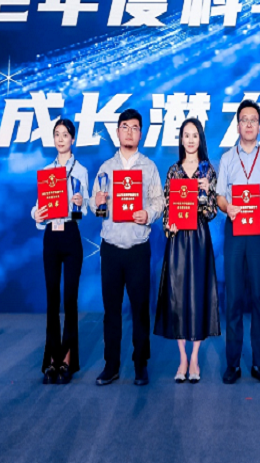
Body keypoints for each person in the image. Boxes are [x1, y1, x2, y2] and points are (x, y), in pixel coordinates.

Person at [88, 108, 164, 387]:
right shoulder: (106, 168)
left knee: (141, 308)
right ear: (117, 132)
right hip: (111, 248)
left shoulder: (149, 167)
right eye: (124, 127)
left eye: (134, 127)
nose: (129, 132)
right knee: (111, 310)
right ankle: (111, 365)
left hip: (137, 248)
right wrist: (96, 202)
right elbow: (95, 206)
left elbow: (159, 201)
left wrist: (149, 213)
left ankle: (140, 364)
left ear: (140, 134)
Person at [216, 99, 260, 384]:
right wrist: (227, 207)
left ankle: (258, 363)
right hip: (234, 231)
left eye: (253, 120)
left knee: (258, 297)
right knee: (233, 298)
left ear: (259, 126)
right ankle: (233, 364)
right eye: (243, 119)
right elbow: (220, 196)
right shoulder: (227, 158)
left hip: (259, 233)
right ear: (238, 125)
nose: (248, 124)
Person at [154, 118, 221, 383]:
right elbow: (167, 207)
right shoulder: (173, 171)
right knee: (178, 296)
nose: (190, 140)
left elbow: (212, 212)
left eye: (195, 135)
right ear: (181, 139)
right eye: (186, 135)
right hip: (178, 238)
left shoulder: (208, 170)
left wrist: (206, 191)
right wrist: (169, 225)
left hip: (200, 238)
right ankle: (182, 357)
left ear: (200, 139)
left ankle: (195, 357)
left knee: (199, 294)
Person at [31, 118, 89, 385]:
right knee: (52, 299)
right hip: (51, 238)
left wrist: (80, 202)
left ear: (73, 139)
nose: (61, 138)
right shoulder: (47, 171)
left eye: (65, 134)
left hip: (71, 234)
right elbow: (37, 208)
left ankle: (67, 360)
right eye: (57, 134)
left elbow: (83, 211)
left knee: (70, 300)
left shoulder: (81, 170)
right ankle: (52, 361)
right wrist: (36, 214)